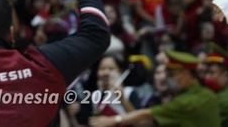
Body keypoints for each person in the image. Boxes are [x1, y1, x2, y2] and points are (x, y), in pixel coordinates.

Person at [90, 50, 220, 127]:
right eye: (102, 69)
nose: (167, 79)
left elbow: (145, 118)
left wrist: (114, 119)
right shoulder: (208, 95)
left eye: (171, 75)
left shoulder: (186, 102)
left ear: (185, 74)